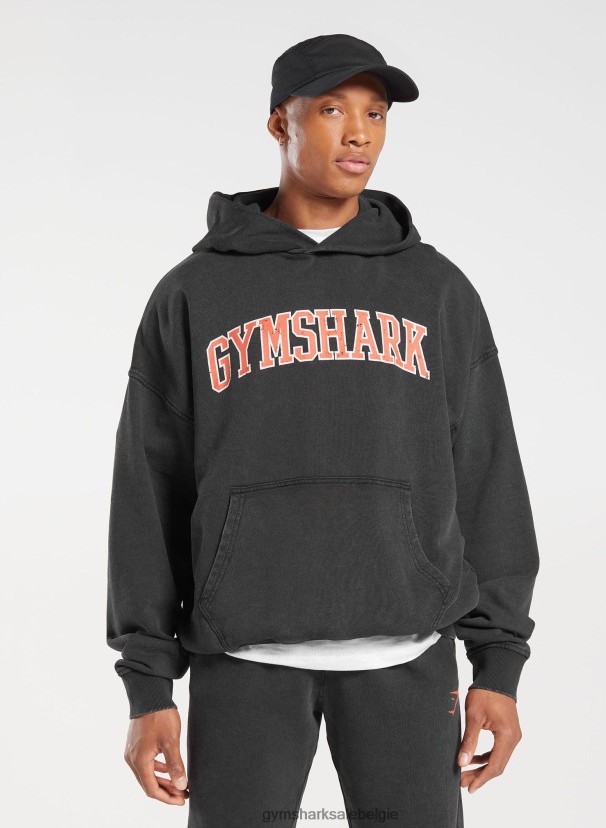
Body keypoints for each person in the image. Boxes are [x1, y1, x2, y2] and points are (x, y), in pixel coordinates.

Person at [106, 33, 540, 828]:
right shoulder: (194, 293)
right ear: (281, 122)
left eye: (376, 113)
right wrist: (147, 684)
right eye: (334, 109)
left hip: (409, 657)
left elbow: (488, 477)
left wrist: (498, 663)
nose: (360, 133)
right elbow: (148, 490)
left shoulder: (436, 289)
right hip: (242, 658)